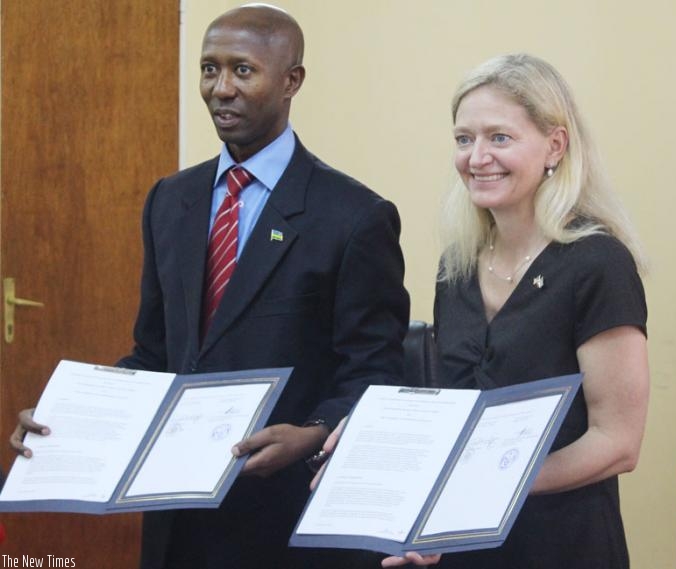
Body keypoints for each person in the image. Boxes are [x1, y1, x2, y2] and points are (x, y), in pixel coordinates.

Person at [10, 5, 409, 569]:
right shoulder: (171, 200)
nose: (221, 89)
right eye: (208, 69)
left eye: (243, 71)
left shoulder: (353, 216)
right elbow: (154, 353)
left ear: (292, 80)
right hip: (175, 523)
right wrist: (69, 419)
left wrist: (313, 434)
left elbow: (375, 373)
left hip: (283, 522)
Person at [380, 53, 648, 567]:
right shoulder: (454, 267)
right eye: (464, 139)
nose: (477, 157)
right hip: (463, 546)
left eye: (499, 138)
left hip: (563, 545)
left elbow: (618, 443)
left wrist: (484, 488)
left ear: (555, 145)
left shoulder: (597, 264)